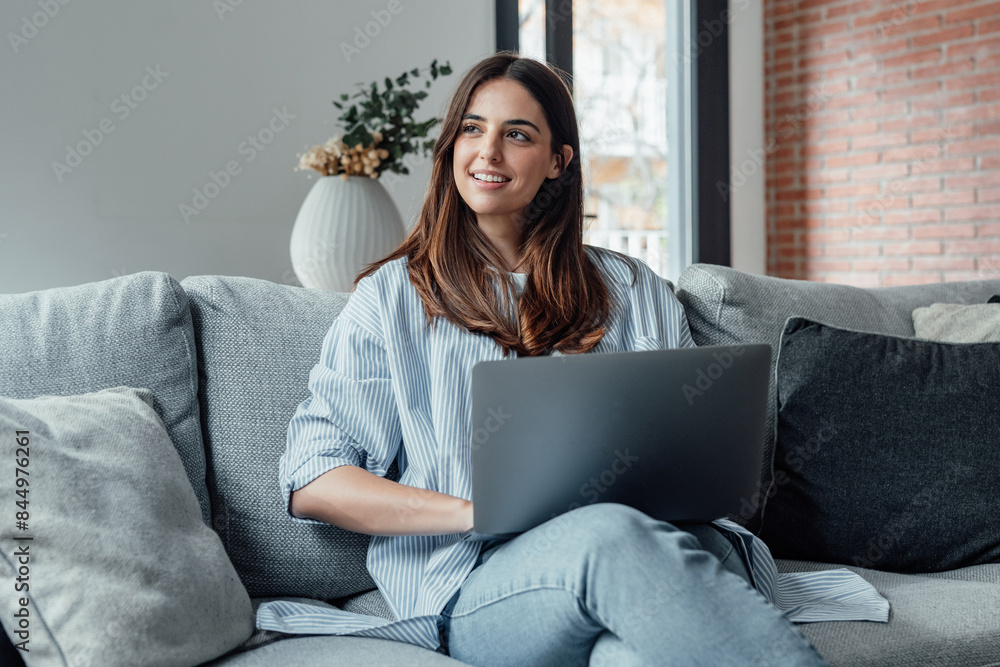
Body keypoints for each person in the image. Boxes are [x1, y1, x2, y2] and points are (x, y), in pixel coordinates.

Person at [256, 53, 887, 666]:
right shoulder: (391, 297)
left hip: (668, 547)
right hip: (485, 584)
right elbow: (316, 483)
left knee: (627, 649)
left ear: (558, 161)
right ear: (449, 147)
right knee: (609, 536)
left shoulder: (632, 289)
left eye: (518, 134)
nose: (489, 153)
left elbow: (695, 452)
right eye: (472, 130)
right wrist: (478, 512)